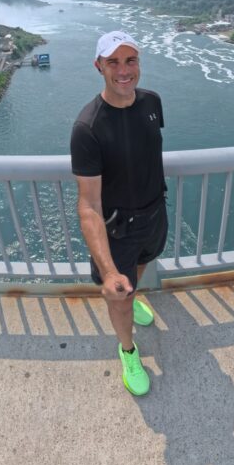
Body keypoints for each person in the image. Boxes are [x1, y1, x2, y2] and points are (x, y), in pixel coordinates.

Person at [70, 30, 167, 396]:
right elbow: (89, 205)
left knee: (140, 270)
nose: (124, 70)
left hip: (155, 214)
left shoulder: (152, 103)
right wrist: (109, 271)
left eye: (131, 60)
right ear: (99, 66)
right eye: (114, 62)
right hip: (118, 229)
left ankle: (133, 292)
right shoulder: (88, 128)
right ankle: (127, 350)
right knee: (118, 293)